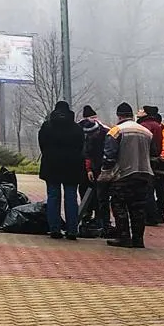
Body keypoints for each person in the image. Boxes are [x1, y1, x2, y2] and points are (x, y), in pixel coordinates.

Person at [101, 102, 155, 249]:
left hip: (123, 175)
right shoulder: (146, 132)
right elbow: (154, 152)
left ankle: (124, 237)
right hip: (144, 174)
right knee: (138, 208)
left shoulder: (116, 131)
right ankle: (138, 240)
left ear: (119, 116)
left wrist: (105, 174)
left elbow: (109, 156)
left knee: (119, 205)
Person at [36, 100, 87, 239]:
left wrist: (49, 155)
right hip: (72, 166)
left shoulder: (47, 126)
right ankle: (72, 230)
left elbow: (42, 144)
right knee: (71, 197)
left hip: (51, 166)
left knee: (53, 196)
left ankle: (54, 229)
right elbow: (81, 145)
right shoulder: (76, 128)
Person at [77, 105, 112, 237]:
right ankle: (99, 218)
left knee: (86, 191)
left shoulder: (79, 129)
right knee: (100, 194)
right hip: (96, 167)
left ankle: (88, 215)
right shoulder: (103, 131)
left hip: (86, 168)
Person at [138, 105, 164, 226]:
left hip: (156, 162)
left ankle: (156, 213)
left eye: (142, 110)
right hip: (156, 160)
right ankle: (157, 213)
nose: (139, 111)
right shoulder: (158, 127)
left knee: (154, 188)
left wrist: (160, 157)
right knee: (156, 189)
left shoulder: (152, 127)